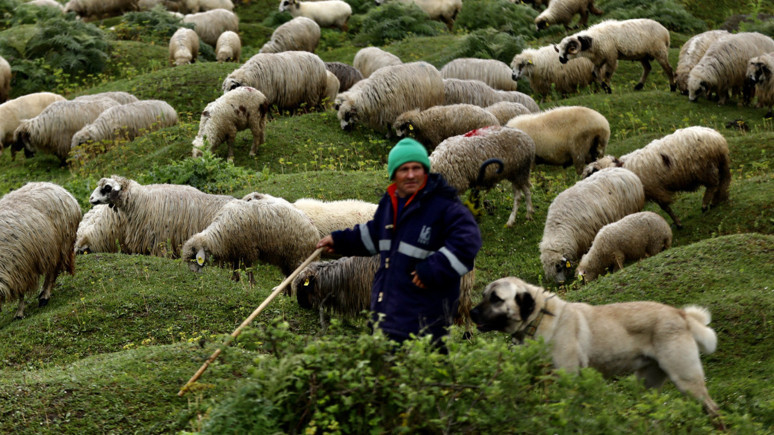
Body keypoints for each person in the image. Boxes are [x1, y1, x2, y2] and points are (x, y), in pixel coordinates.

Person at [316, 137, 482, 347]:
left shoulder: (444, 205)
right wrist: (340, 241)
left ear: (425, 171)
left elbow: (468, 243)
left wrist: (433, 269)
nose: (411, 175)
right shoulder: (390, 202)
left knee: (425, 369)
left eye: (416, 168)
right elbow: (374, 235)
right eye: (404, 169)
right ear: (394, 174)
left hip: (426, 315)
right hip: (390, 311)